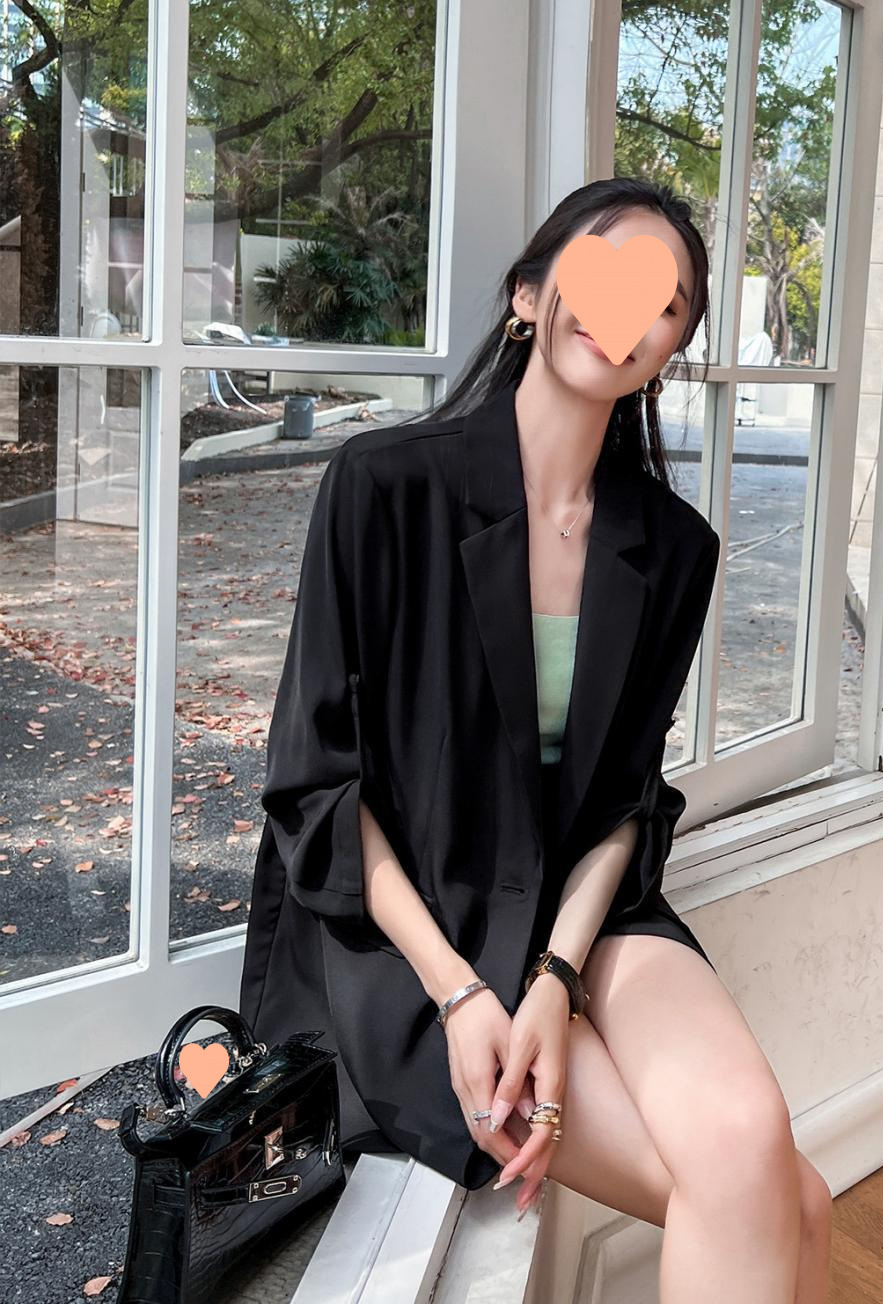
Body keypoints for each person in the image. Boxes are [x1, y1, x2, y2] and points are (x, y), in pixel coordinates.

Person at [239, 177, 832, 1302]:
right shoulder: (383, 489)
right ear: (527, 295)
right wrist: (464, 996)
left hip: (584, 909)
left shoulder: (674, 548)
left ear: (671, 351)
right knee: (787, 1202)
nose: (627, 312)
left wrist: (555, 977)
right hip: (413, 929)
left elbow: (627, 800)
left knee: (762, 1154)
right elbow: (317, 787)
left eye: (665, 302)